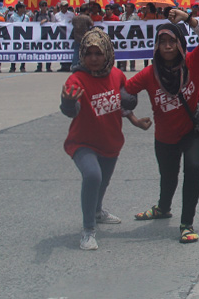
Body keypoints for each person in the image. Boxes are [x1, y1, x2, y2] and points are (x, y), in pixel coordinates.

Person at [125, 8, 199, 244]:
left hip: (193, 131)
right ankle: (163, 208)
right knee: (168, 176)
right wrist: (134, 119)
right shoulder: (148, 73)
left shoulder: (194, 62)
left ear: (180, 43)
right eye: (162, 41)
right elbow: (123, 93)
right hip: (165, 136)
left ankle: (187, 224)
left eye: (172, 41)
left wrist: (188, 19)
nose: (167, 46)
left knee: (193, 169)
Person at [61, 27, 152, 250]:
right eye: (89, 53)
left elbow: (120, 103)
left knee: (103, 181)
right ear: (82, 55)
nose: (93, 58)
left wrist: (135, 121)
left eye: (98, 53)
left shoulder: (117, 75)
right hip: (82, 142)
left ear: (107, 53)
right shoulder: (76, 79)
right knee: (93, 176)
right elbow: (72, 108)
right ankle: (88, 230)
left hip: (110, 140)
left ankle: (98, 210)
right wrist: (68, 103)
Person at [71, 6, 95, 72]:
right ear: (86, 11)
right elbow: (92, 24)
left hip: (77, 37)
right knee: (85, 52)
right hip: (85, 37)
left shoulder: (75, 18)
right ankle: (85, 65)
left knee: (76, 52)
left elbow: (73, 24)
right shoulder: (87, 18)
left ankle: (74, 65)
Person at [9, 3, 30, 72]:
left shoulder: (26, 17)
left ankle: (22, 66)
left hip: (24, 37)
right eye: (23, 7)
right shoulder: (13, 17)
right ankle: (12, 67)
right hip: (15, 37)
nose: (24, 9)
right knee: (14, 52)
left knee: (23, 52)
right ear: (19, 9)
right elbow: (9, 26)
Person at [35, 0, 53, 72]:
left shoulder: (50, 15)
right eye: (42, 6)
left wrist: (46, 21)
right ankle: (39, 66)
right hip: (39, 36)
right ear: (40, 7)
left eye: (45, 5)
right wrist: (39, 23)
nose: (44, 7)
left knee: (49, 51)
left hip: (48, 36)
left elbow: (54, 23)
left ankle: (48, 67)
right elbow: (33, 24)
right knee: (39, 51)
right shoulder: (36, 15)